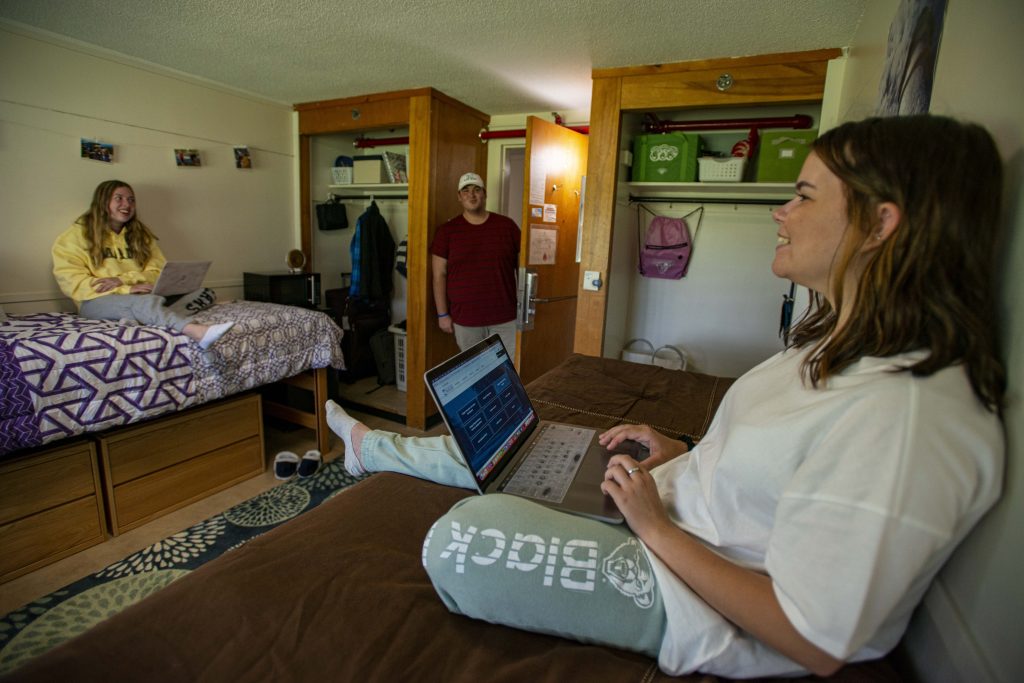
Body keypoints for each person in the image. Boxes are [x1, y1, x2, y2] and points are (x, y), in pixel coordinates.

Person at [324, 115, 1005, 678]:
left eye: (802, 194)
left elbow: (816, 637)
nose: (782, 208)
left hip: (687, 587)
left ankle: (401, 459)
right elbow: (785, 473)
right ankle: (369, 446)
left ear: (881, 223)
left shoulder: (910, 416)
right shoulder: (837, 342)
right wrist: (684, 450)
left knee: (458, 540)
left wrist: (656, 528)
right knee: (517, 442)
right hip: (670, 500)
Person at [52, 180, 233, 349]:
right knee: (147, 302)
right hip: (94, 301)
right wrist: (126, 289)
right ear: (102, 201)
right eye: (119, 198)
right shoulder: (75, 236)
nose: (127, 204)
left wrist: (125, 280)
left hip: (142, 295)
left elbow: (158, 271)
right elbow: (72, 282)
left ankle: (146, 313)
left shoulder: (141, 235)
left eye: (131, 200)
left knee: (204, 293)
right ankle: (196, 331)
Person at [431, 172, 520, 356]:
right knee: (476, 373)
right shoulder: (447, 232)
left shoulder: (507, 227)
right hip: (466, 319)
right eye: (466, 190)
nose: (471, 195)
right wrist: (442, 315)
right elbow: (439, 274)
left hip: (505, 318)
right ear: (459, 196)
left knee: (507, 372)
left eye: (477, 190)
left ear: (484, 194)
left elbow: (523, 267)